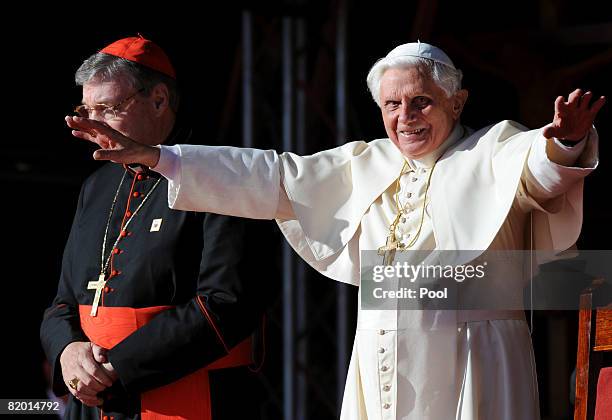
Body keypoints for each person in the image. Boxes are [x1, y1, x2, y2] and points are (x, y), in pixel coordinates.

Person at [66, 41, 604, 419]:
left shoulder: (493, 148)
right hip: (380, 356)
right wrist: (161, 158)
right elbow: (269, 174)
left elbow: (538, 172)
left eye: (421, 101)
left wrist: (564, 143)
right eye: (392, 105)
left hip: (475, 355)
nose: (406, 117)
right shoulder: (362, 164)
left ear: (456, 102)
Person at [42, 35, 269, 420]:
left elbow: (226, 305)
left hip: (188, 394)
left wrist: (117, 368)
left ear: (159, 100)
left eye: (108, 108)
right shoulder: (96, 187)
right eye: (86, 109)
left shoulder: (218, 175)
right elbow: (62, 303)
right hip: (96, 400)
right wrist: (68, 352)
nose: (93, 124)